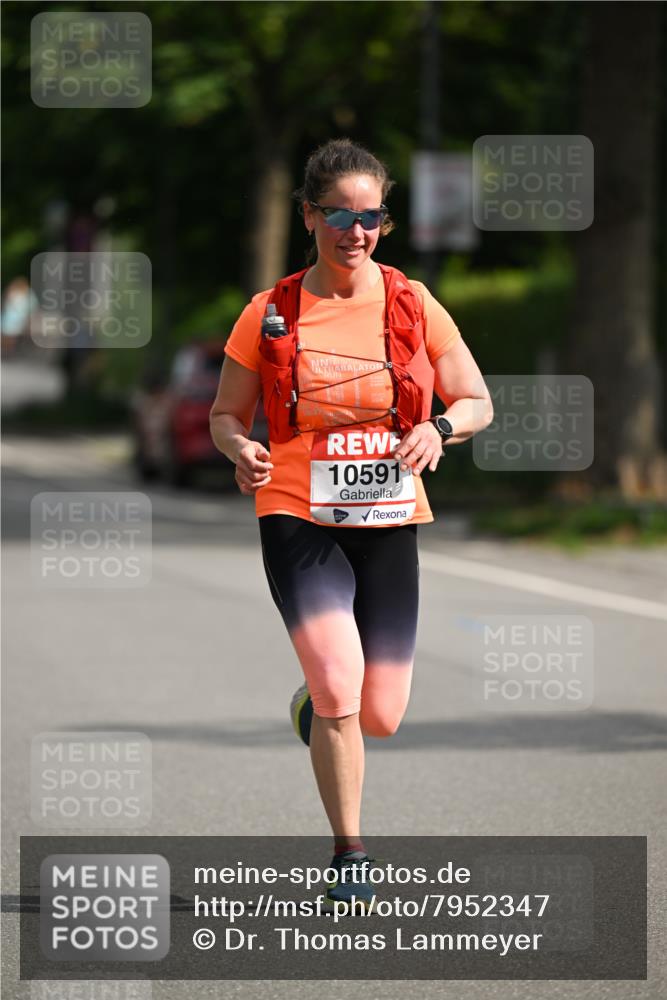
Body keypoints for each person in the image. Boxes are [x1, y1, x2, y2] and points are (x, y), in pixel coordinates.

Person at [209, 138, 492, 909]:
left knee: (381, 714)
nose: (354, 230)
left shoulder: (411, 302)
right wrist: (242, 449)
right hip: (296, 510)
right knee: (339, 685)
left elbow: (475, 400)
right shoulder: (270, 311)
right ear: (309, 216)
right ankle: (349, 852)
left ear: (383, 224)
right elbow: (225, 416)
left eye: (369, 217)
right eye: (338, 213)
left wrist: (440, 427)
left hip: (388, 513)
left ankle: (314, 709)